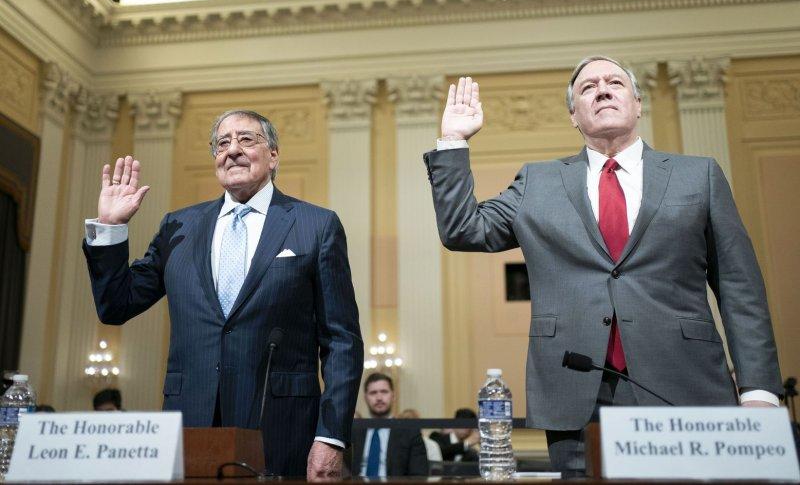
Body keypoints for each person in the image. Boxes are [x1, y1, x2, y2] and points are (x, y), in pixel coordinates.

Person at [424, 57, 783, 475]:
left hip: (687, 386)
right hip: (578, 393)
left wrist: (759, 390)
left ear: (637, 104)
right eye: (587, 87)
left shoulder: (698, 175)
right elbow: (464, 230)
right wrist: (453, 141)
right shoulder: (537, 182)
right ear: (574, 115)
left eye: (615, 82)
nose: (603, 89)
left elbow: (741, 287)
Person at [83, 109, 363, 479]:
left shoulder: (315, 225)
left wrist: (331, 436)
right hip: (190, 425)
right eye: (222, 143)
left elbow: (342, 341)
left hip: (282, 428)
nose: (232, 150)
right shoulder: (178, 226)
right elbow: (116, 305)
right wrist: (110, 228)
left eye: (247, 139)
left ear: (274, 155)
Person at [350, 372, 429, 477]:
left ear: (393, 396)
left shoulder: (410, 433)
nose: (379, 397)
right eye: (373, 393)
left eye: (384, 392)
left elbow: (419, 475)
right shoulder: (354, 431)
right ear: (365, 397)